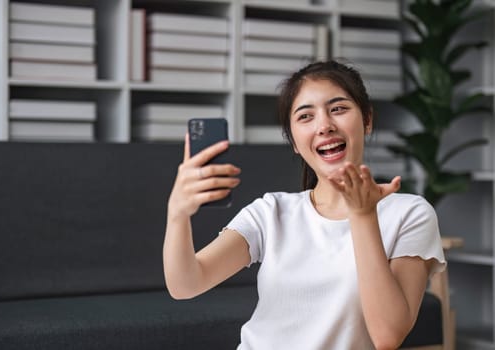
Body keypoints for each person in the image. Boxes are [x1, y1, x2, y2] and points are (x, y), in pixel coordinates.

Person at [163, 60, 446, 350]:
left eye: (338, 109)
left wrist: (362, 215)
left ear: (367, 120)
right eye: (305, 116)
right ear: (295, 142)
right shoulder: (271, 212)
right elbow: (186, 285)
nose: (324, 125)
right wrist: (177, 214)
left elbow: (387, 336)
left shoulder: (410, 213)